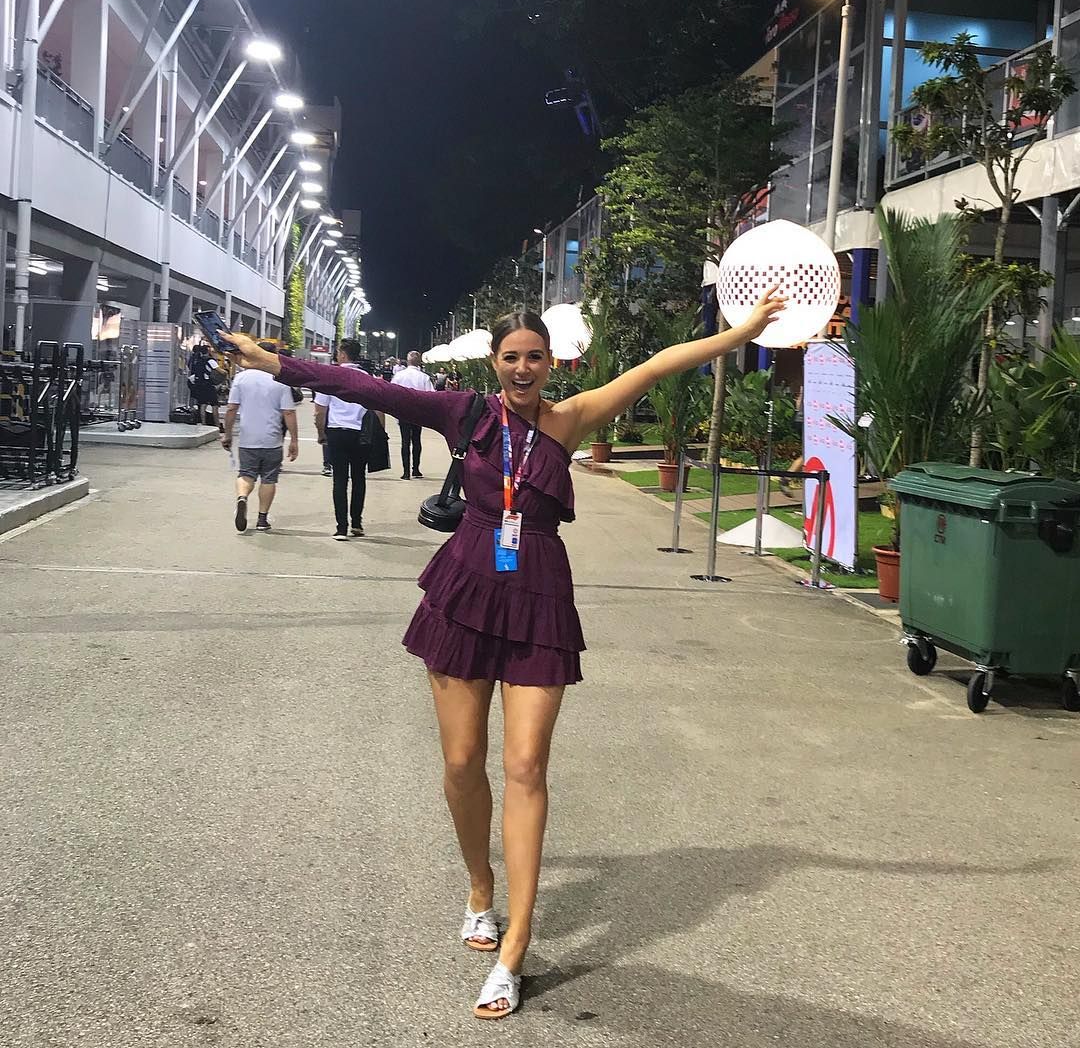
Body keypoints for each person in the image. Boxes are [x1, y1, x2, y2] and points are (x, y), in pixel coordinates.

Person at [220, 286, 784, 1019]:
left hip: (539, 594)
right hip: (464, 587)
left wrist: (742, 330)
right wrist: (278, 363)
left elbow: (656, 365)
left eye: (535, 357)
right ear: (494, 362)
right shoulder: (467, 414)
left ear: (552, 362)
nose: (524, 369)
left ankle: (516, 944)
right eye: (512, 357)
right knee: (462, 762)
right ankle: (481, 886)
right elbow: (367, 388)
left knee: (525, 766)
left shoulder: (569, 420)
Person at [221, 342, 298, 533]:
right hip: (272, 439)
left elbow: (231, 408)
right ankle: (262, 519)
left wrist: (227, 434)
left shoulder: (241, 378)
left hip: (248, 437)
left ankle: (242, 497)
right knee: (269, 479)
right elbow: (288, 412)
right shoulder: (280, 380)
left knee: (246, 474)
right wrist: (294, 440)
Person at [315, 337, 377, 540]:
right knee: (359, 478)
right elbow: (376, 406)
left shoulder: (331, 376)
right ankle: (357, 523)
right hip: (361, 433)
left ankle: (341, 527)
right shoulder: (366, 377)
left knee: (339, 480)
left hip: (337, 431)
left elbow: (320, 410)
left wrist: (321, 433)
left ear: (342, 354)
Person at [391, 350, 434, 479]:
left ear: (407, 361)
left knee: (405, 441)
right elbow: (431, 395)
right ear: (419, 362)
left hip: (403, 411)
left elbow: (391, 392)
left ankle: (406, 472)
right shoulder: (424, 377)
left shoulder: (399, 376)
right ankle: (416, 469)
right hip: (418, 412)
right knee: (416, 440)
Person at [187, 343, 221, 427]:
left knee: (203, 404)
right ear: (208, 351)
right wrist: (225, 373)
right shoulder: (210, 361)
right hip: (208, 385)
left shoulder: (198, 360)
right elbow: (220, 371)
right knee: (215, 405)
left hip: (199, 385)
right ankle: (217, 425)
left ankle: (203, 424)